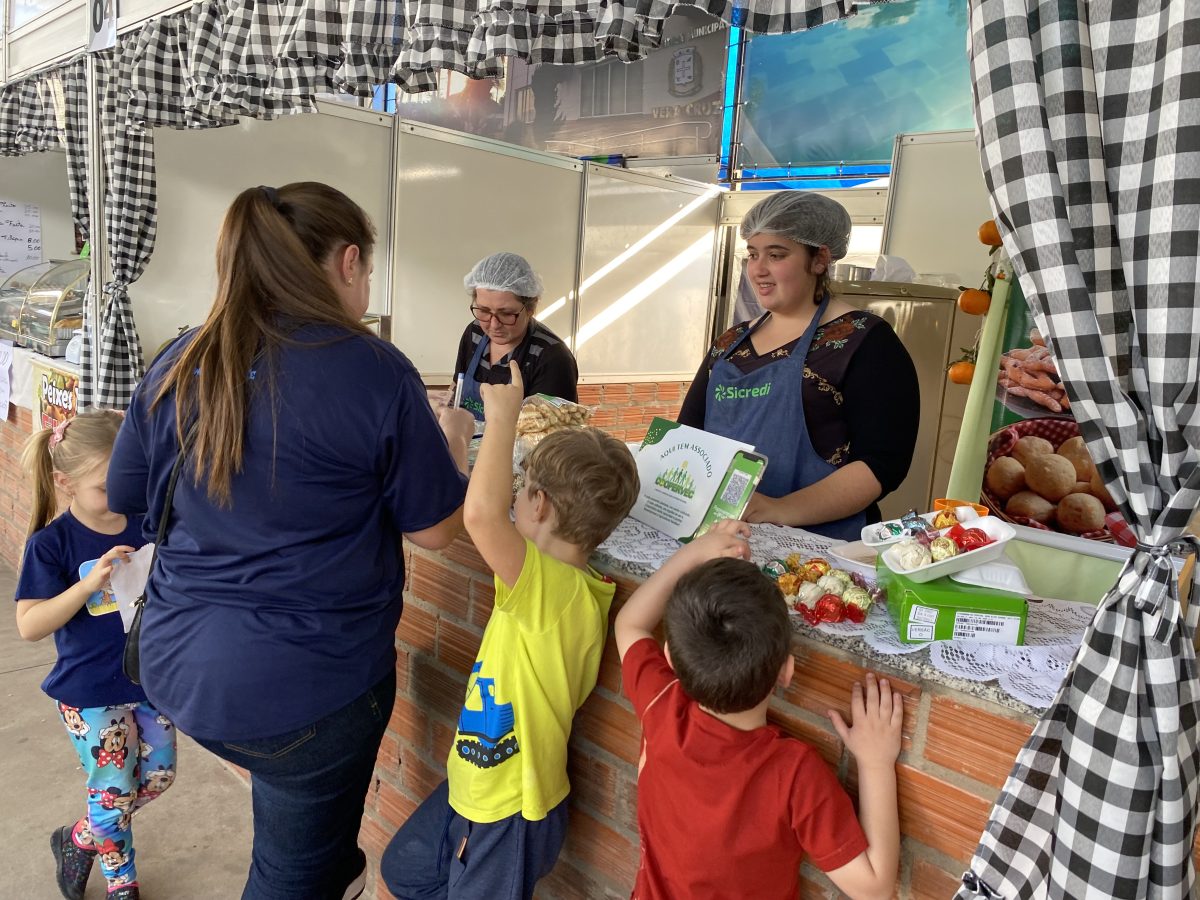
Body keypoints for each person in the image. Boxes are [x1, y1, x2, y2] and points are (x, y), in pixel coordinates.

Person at [106, 182, 468, 900]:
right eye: (367, 272)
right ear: (348, 261)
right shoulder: (372, 368)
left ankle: (331, 868)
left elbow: (125, 501)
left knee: (310, 842)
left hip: (178, 667)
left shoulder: (181, 357)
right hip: (307, 693)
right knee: (290, 871)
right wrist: (453, 448)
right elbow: (437, 532)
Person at [381, 360, 639, 900]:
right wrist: (457, 438)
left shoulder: (557, 591)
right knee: (406, 870)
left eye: (523, 489)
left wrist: (501, 418)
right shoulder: (541, 579)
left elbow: (481, 517)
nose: (514, 496)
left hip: (509, 807)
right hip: (479, 777)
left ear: (538, 504)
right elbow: (478, 512)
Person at [614, 519, 902, 899]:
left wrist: (692, 554)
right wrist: (876, 763)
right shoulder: (795, 775)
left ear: (669, 656)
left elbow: (630, 624)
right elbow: (874, 888)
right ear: (787, 670)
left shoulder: (662, 704)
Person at [677, 192, 919, 539]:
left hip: (818, 551)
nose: (758, 269)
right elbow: (687, 434)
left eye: (776, 255)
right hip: (721, 536)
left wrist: (779, 509)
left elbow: (882, 463)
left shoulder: (865, 342)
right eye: (753, 254)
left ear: (820, 258)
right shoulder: (731, 343)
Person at [14, 410, 176, 900]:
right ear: (65, 482)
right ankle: (121, 884)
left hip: (150, 680)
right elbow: (29, 626)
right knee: (112, 791)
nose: (122, 497)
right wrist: (88, 584)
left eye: (132, 482)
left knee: (159, 776)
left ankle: (79, 837)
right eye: (106, 488)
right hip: (88, 690)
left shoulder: (149, 523)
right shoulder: (52, 544)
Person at [451, 252, 578, 420]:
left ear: (531, 309)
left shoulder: (552, 358)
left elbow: (553, 437)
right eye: (484, 311)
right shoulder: (474, 332)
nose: (493, 324)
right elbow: (456, 389)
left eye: (506, 314)